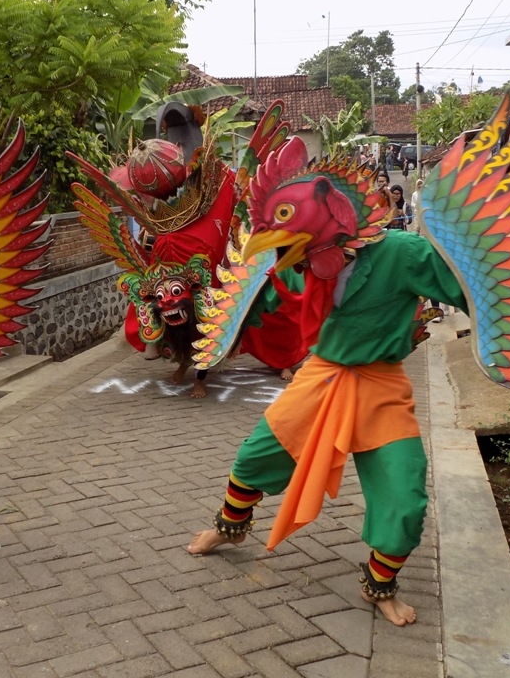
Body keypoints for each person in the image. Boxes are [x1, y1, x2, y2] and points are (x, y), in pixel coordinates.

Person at [185, 141, 469, 628]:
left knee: (404, 498)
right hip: (320, 375)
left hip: (380, 384)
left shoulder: (403, 253)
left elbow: (466, 286)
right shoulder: (298, 262)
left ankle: (379, 585)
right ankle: (231, 528)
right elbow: (272, 297)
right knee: (255, 456)